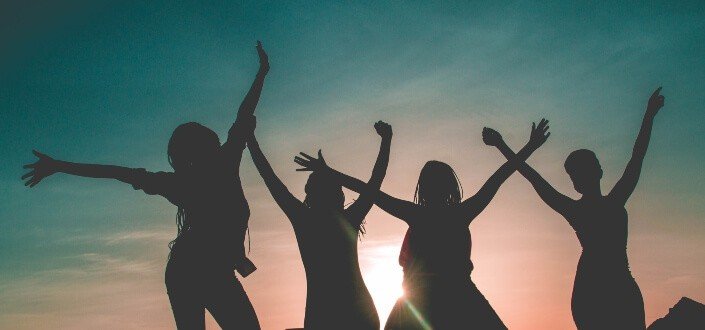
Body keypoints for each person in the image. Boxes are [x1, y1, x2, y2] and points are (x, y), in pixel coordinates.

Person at [22, 42, 271, 330]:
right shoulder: (220, 165)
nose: (218, 143)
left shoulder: (189, 177)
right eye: (210, 140)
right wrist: (262, 73)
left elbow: (118, 173)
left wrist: (262, 73)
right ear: (204, 148)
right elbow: (117, 172)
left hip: (199, 270)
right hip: (195, 272)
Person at [295, 119, 551, 330]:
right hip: (457, 299)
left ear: (424, 188)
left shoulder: (416, 213)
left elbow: (369, 189)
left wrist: (329, 172)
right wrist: (527, 146)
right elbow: (502, 175)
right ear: (450, 187)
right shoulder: (461, 212)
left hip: (417, 303)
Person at [485, 87, 665, 330]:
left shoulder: (580, 210)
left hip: (610, 289)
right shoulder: (602, 204)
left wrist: (503, 145)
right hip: (597, 293)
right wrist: (648, 115)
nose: (575, 178)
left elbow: (532, 177)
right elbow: (637, 156)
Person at [246, 116, 391, 329]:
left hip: (322, 314)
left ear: (310, 194)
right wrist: (386, 140)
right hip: (360, 314)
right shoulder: (347, 219)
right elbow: (375, 181)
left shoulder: (304, 219)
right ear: (338, 195)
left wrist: (250, 139)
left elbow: (269, 177)